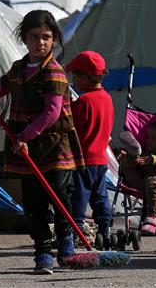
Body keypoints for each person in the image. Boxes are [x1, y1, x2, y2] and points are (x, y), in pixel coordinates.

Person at [0, 10, 84, 274]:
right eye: (35, 37)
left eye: (46, 37)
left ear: (54, 40)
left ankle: (66, 242)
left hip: (54, 144)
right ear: (25, 39)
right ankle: (43, 252)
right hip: (26, 146)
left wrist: (24, 137)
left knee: (60, 197)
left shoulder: (54, 72)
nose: (41, 42)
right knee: (34, 204)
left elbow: (52, 112)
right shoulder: (18, 69)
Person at [65, 50, 114, 247]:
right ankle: (105, 229)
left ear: (85, 77)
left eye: (75, 76)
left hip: (83, 159)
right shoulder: (107, 98)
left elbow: (71, 123)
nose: (73, 80)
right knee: (100, 196)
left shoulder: (84, 101)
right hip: (101, 159)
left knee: (79, 196)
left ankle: (75, 229)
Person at [118, 120, 156, 235]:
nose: (148, 140)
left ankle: (152, 218)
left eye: (153, 138)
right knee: (130, 164)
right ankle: (130, 153)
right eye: (148, 137)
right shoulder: (145, 151)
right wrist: (130, 159)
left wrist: (154, 159)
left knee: (153, 183)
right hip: (138, 179)